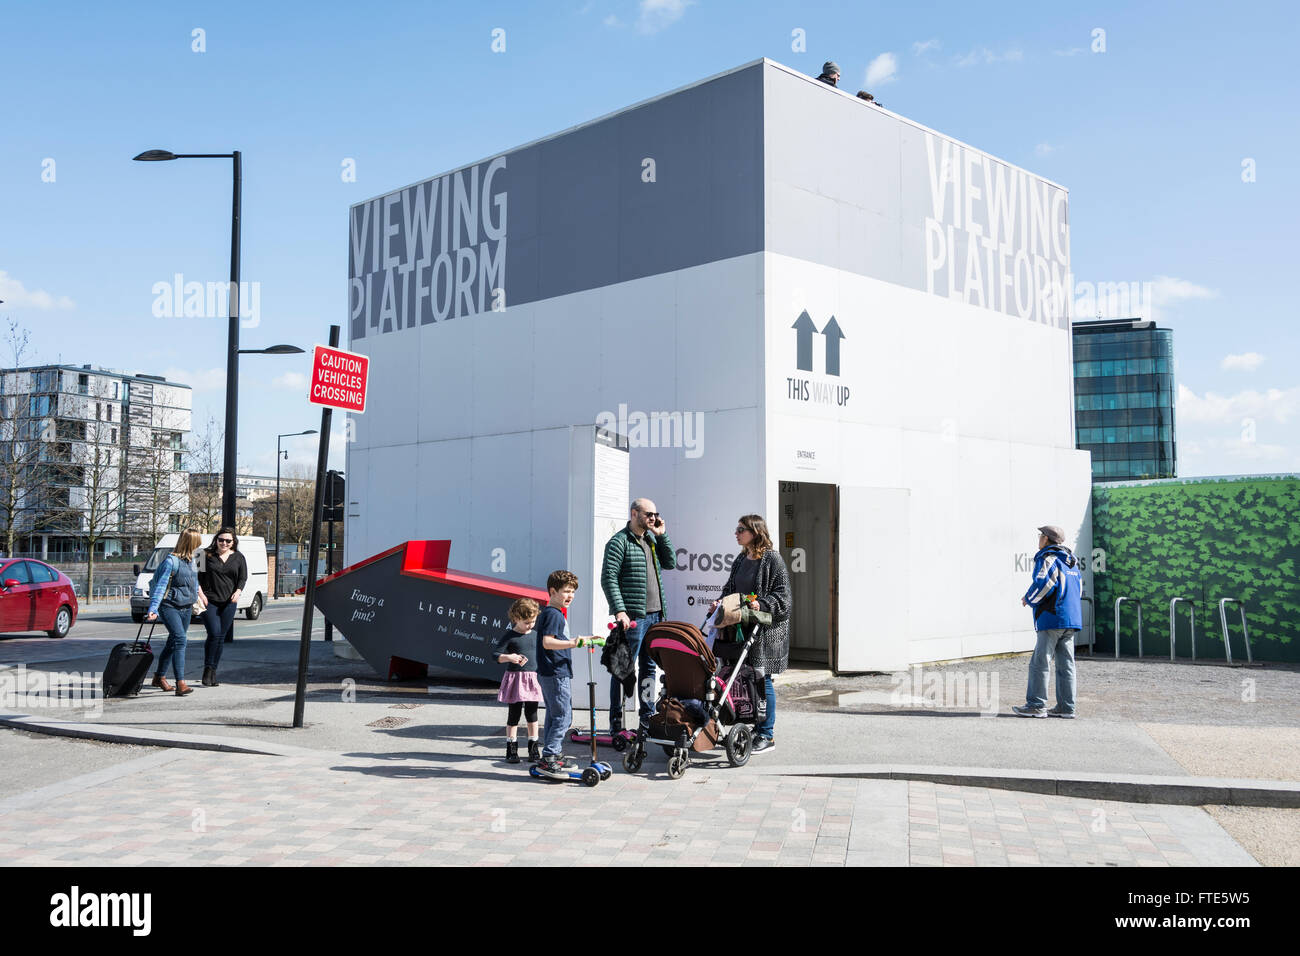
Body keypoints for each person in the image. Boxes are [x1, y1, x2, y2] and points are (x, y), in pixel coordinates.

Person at [710, 514, 791, 753]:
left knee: (762, 680)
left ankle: (767, 734)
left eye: (740, 529)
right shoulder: (741, 558)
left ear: (755, 532)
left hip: (764, 631)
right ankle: (752, 727)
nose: (736, 533)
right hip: (742, 628)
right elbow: (730, 588)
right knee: (743, 679)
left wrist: (762, 604)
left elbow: (783, 597)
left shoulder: (772, 560)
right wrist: (719, 602)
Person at [600, 498, 675, 733]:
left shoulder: (651, 539)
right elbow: (608, 578)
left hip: (655, 616)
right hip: (633, 617)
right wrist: (619, 609)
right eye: (649, 514)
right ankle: (616, 722)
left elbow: (670, 563)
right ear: (634, 513)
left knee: (650, 669)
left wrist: (662, 535)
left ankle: (647, 718)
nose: (653, 518)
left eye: (656, 514)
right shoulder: (619, 541)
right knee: (623, 668)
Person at [1013, 525, 1083, 718]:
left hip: (1052, 617)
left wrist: (1029, 598)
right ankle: (1066, 707)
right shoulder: (1072, 563)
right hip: (1071, 619)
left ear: (1046, 539)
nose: (1038, 539)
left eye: (1040, 536)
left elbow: (1045, 583)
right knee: (1066, 665)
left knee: (1040, 663)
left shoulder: (1049, 558)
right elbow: (1078, 591)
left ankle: (1036, 705)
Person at [535, 570, 599, 773]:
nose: (570, 596)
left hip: (550, 672)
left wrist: (584, 639)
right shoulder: (554, 614)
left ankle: (553, 753)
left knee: (555, 715)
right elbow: (547, 642)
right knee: (564, 716)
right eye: (566, 591)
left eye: (573, 592)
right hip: (555, 672)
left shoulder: (551, 612)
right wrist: (573, 643)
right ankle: (550, 756)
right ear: (553, 591)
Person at [147, 528, 206, 697]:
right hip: (169, 606)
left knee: (173, 642)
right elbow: (160, 587)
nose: (199, 546)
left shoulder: (195, 559)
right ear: (190, 543)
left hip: (186, 607)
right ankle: (180, 683)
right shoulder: (171, 561)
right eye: (197, 542)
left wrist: (200, 595)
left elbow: (195, 582)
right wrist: (153, 609)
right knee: (180, 639)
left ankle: (159, 677)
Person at [197, 526, 247, 687]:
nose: (224, 543)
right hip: (208, 600)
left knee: (220, 637)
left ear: (233, 542)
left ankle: (213, 671)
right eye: (221, 540)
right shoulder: (203, 554)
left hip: (229, 603)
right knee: (214, 633)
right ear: (216, 540)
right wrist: (202, 595)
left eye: (228, 540)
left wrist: (238, 592)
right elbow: (194, 578)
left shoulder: (239, 557)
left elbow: (242, 578)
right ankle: (207, 669)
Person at [496, 598, 543, 764]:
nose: (530, 625)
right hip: (516, 679)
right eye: (526, 622)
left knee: (532, 713)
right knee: (514, 714)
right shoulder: (510, 636)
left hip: (532, 679)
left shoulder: (537, 636)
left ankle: (533, 747)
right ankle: (511, 747)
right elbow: (496, 655)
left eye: (533, 621)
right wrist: (510, 657)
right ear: (516, 618)